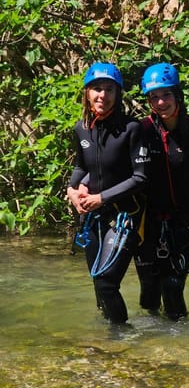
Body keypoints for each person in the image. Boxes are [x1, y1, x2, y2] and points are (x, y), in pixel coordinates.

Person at [135, 62, 189, 320]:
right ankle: (150, 350)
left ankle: (178, 350)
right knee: (148, 295)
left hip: (183, 223)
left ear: (178, 95)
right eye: (154, 97)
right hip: (147, 223)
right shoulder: (142, 130)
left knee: (173, 291)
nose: (161, 102)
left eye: (166, 95)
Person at [67, 62, 150, 324]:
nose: (102, 95)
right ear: (87, 93)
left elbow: (140, 178)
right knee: (97, 285)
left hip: (126, 215)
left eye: (109, 89)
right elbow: (82, 166)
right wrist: (71, 190)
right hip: (94, 217)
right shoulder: (82, 128)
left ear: (117, 94)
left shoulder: (131, 129)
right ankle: (106, 349)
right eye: (96, 89)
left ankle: (122, 341)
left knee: (105, 282)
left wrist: (100, 197)